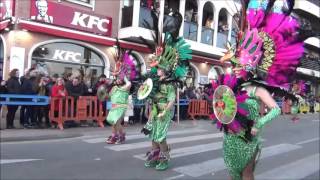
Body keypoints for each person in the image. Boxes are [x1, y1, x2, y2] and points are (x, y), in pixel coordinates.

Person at [212, 0, 310, 179]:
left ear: (250, 66)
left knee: (247, 173)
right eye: (232, 65)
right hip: (231, 138)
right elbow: (224, 106)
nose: (233, 68)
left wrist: (259, 124)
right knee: (232, 172)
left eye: (237, 65)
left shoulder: (258, 89)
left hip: (249, 138)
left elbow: (276, 109)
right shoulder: (233, 86)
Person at [140, 11, 192, 171]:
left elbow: (171, 100)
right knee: (152, 134)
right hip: (155, 110)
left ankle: (165, 156)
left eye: (160, 68)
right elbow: (149, 93)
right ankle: (155, 154)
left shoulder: (170, 84)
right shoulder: (154, 80)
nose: (158, 70)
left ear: (166, 70)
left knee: (160, 136)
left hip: (164, 111)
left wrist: (165, 112)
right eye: (158, 68)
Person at [106, 77, 131, 144]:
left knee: (117, 122)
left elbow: (129, 84)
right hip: (113, 107)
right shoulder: (114, 88)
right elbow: (109, 96)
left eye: (120, 79)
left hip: (121, 107)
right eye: (117, 79)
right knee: (113, 123)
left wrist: (124, 77)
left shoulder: (125, 87)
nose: (118, 80)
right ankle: (114, 136)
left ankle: (122, 135)